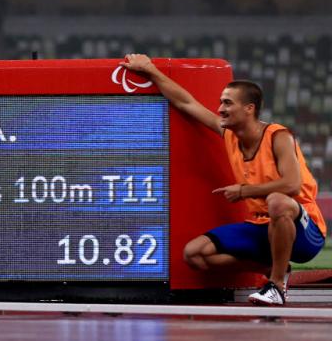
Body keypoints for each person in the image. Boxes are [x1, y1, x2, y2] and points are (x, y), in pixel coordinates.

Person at [121, 54, 326, 306]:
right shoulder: (229, 135)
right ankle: (274, 267)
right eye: (220, 103)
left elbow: (292, 185)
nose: (220, 109)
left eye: (227, 103)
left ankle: (276, 286)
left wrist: (243, 191)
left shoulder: (278, 137)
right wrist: (150, 71)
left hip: (306, 232)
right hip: (262, 227)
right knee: (195, 255)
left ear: (249, 109)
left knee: (278, 201)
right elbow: (186, 103)